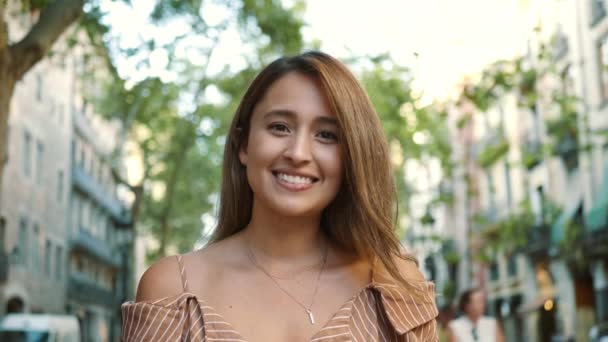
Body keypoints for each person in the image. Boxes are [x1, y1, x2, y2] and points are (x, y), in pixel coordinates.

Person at [121, 51, 439, 341]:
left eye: (326, 135)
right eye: (280, 127)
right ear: (243, 145)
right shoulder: (172, 291)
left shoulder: (395, 289)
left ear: (351, 156)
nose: (298, 153)